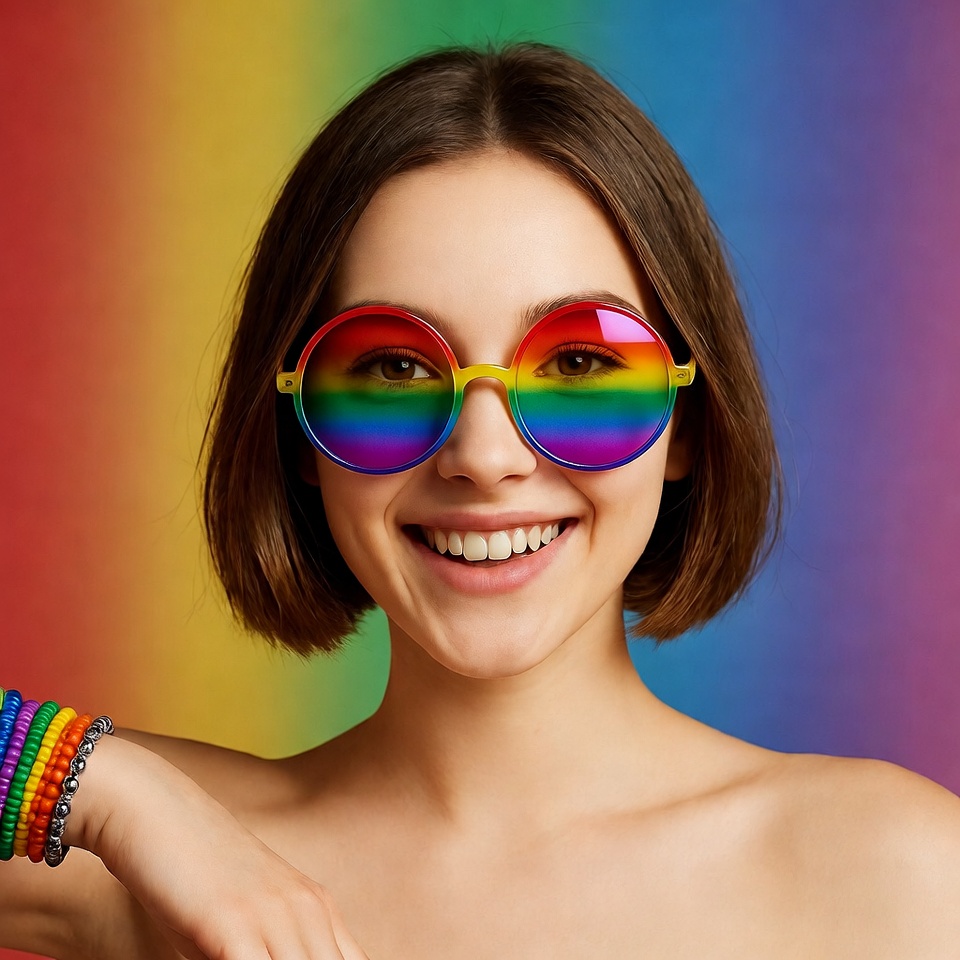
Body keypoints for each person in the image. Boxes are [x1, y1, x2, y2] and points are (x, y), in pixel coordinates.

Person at [2, 43, 959, 960]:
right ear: (297, 431)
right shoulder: (148, 859)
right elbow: (107, 808)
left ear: (689, 425)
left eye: (581, 362)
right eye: (391, 367)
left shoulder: (900, 873)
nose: (484, 455)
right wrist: (115, 795)